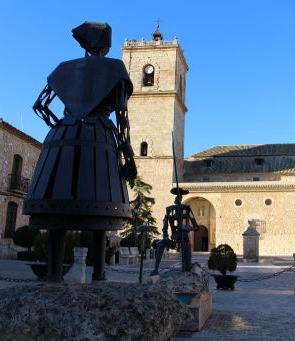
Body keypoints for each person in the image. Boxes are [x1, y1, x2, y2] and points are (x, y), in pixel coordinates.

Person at [23, 22, 136, 282]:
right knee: (100, 207)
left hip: (62, 137)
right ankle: (100, 272)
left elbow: (39, 106)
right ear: (105, 45)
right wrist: (127, 151)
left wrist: (64, 126)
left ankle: (53, 272)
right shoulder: (115, 68)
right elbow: (122, 114)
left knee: (57, 207)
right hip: (100, 136)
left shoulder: (64, 69)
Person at [150, 188, 198, 275]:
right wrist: (165, 237)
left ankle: (187, 267)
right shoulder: (169, 210)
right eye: (176, 198)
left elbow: (196, 227)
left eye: (179, 198)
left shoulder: (187, 209)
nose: (178, 199)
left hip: (184, 239)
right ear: (175, 200)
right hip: (174, 238)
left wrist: (186, 228)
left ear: (181, 199)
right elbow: (164, 228)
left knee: (186, 268)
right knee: (161, 244)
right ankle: (155, 270)